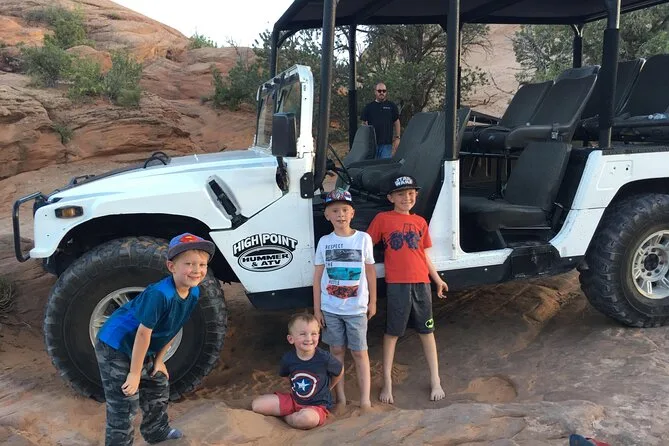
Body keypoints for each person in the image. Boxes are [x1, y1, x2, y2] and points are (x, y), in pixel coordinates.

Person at [95, 232, 216, 445]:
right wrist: (134, 373)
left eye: (202, 265)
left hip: (140, 345)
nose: (197, 270)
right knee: (125, 399)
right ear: (172, 267)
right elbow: (143, 333)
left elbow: (173, 326)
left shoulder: (193, 292)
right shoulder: (160, 294)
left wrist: (159, 360)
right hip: (116, 344)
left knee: (157, 382)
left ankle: (156, 431)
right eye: (189, 264)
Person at [366, 174, 449, 404]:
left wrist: (437, 279)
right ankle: (387, 382)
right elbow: (366, 245)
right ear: (391, 197)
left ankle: (435, 379)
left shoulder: (420, 222)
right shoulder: (383, 219)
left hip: (422, 282)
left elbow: (423, 254)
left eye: (411, 193)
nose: (407, 198)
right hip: (397, 284)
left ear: (416, 195)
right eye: (401, 194)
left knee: (427, 331)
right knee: (393, 332)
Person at [312, 188, 376, 413]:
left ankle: (365, 401)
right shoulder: (324, 242)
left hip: (356, 309)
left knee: (360, 352)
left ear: (352, 213)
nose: (341, 215)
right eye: (335, 211)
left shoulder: (363, 239)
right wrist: (317, 309)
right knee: (336, 352)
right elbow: (318, 276)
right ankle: (340, 399)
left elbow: (370, 271)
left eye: (345, 210)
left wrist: (373, 302)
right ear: (327, 215)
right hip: (331, 308)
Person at [251, 313, 344, 429]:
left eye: (313, 334)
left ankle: (288, 418)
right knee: (257, 405)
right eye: (303, 334)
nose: (309, 338)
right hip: (294, 400)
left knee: (306, 420)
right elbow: (285, 375)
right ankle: (292, 413)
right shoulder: (288, 358)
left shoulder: (324, 358)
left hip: (317, 407)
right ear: (291, 339)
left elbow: (339, 371)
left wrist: (330, 386)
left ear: (318, 336)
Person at [361, 82, 401, 159]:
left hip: (386, 145)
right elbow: (364, 124)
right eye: (379, 91)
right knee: (372, 165)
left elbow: (397, 122)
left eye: (384, 91)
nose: (382, 93)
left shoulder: (391, 106)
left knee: (385, 165)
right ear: (375, 92)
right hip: (372, 145)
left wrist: (397, 138)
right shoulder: (368, 107)